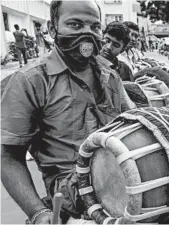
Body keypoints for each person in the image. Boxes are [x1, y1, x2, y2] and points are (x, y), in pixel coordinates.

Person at [1, 1, 136, 224]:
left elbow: (133, 119)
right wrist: (38, 212)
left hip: (123, 182)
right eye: (75, 24)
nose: (87, 34)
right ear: (53, 29)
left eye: (94, 27)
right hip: (71, 199)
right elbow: (8, 156)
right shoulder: (30, 81)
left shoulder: (109, 75)